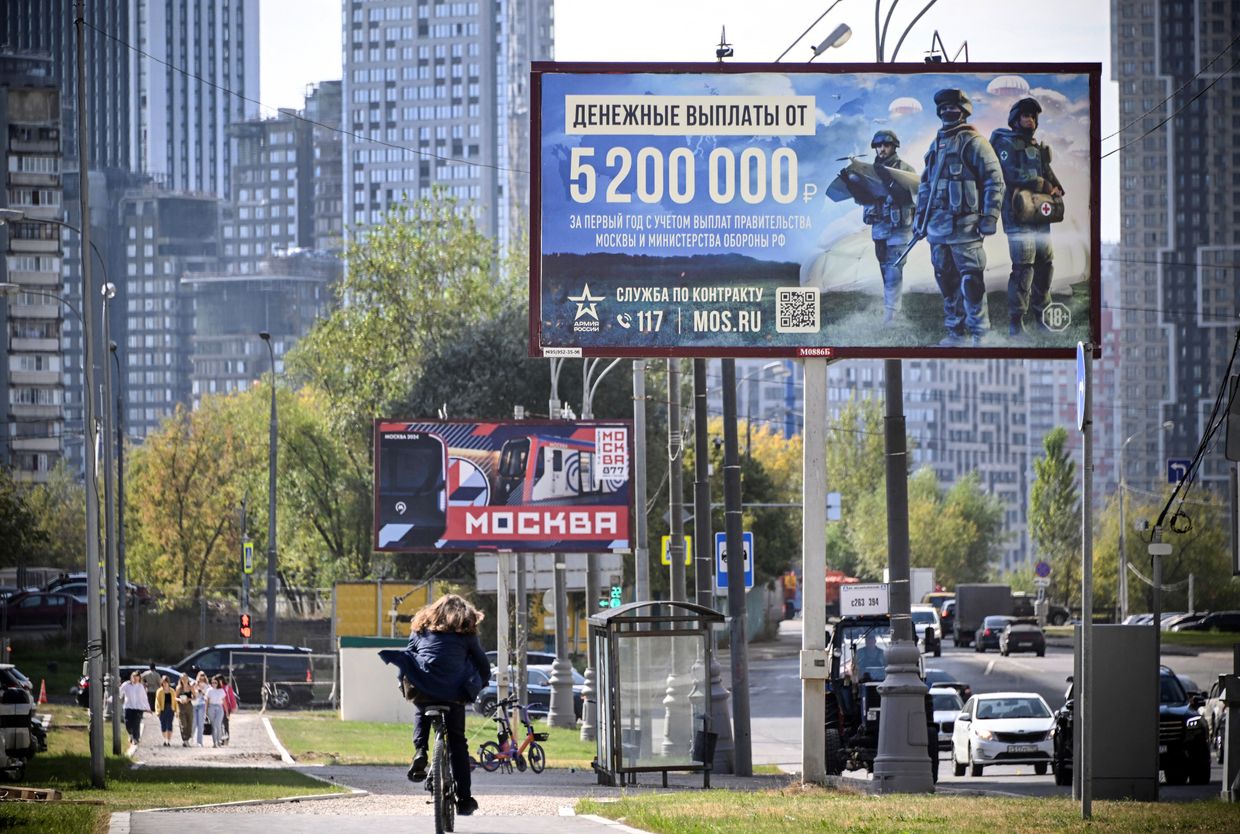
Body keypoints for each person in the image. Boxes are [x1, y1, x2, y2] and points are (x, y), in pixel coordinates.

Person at [379, 594, 490, 817]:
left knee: (421, 708)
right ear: (463, 615)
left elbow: (408, 659)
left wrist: (403, 685)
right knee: (458, 741)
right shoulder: (466, 635)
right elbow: (482, 664)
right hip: (454, 694)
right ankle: (465, 800)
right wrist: (482, 682)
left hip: (425, 688)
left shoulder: (420, 630)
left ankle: (420, 751)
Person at [915, 88, 1005, 346]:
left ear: (964, 110)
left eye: (952, 108)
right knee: (946, 281)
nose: (947, 112)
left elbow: (994, 180)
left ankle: (980, 334)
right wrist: (920, 220)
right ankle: (956, 332)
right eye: (943, 108)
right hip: (936, 229)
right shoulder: (936, 144)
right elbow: (925, 187)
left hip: (965, 228)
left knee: (971, 281)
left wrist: (989, 216)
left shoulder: (974, 142)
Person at [989, 97, 1065, 336]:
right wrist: (1042, 183)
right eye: (1025, 115)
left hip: (1039, 214)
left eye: (1033, 115)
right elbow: (1009, 172)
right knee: (1024, 268)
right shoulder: (1004, 142)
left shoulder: (1038, 147)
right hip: (1017, 214)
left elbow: (1047, 171)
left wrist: (1056, 187)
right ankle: (1016, 322)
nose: (1030, 119)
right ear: (1015, 118)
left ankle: (1042, 316)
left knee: (1045, 265)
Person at [862, 130, 918, 323]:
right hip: (879, 227)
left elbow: (917, 198)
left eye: (886, 145)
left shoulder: (905, 170)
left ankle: (891, 314)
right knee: (885, 268)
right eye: (878, 146)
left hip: (899, 228)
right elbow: (863, 198)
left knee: (894, 269)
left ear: (894, 146)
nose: (882, 149)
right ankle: (891, 307)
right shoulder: (869, 171)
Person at [118, 670, 150, 747]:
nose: (135, 678)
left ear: (139, 678)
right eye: (133, 677)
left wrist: (148, 708)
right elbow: (119, 693)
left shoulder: (141, 686)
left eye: (137, 677)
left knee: (136, 724)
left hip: (138, 708)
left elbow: (144, 698)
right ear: (131, 677)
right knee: (127, 723)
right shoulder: (126, 685)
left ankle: (136, 739)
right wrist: (111, 699)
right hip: (128, 707)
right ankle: (131, 735)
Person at [205, 676, 228, 748]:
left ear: (218, 683)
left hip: (219, 708)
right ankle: (214, 742)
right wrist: (205, 711)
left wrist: (227, 711)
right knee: (214, 726)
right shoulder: (209, 690)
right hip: (211, 708)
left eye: (215, 682)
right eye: (212, 682)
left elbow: (224, 702)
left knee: (218, 724)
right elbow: (207, 701)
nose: (214, 684)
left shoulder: (221, 691)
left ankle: (219, 740)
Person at [154, 675, 176, 747]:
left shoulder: (172, 691)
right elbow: (157, 701)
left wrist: (176, 710)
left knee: (169, 725)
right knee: (163, 725)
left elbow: (175, 701)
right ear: (162, 683)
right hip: (163, 709)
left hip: (170, 709)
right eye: (164, 682)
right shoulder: (159, 691)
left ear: (168, 682)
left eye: (166, 682)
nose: (165, 683)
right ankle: (165, 739)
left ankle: (168, 741)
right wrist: (158, 711)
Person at [174, 673, 195, 747]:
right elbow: (175, 697)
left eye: (185, 678)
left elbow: (194, 697)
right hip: (181, 707)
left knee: (190, 723)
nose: (184, 680)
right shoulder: (179, 688)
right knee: (183, 724)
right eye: (182, 678)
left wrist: (189, 699)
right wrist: (179, 700)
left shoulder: (191, 687)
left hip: (189, 706)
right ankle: (185, 739)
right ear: (180, 679)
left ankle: (187, 738)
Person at [192, 671, 209, 747]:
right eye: (200, 675)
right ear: (198, 676)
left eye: (203, 675)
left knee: (200, 724)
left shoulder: (207, 686)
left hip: (202, 704)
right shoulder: (194, 683)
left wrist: (202, 691)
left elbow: (207, 696)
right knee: (193, 723)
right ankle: (191, 738)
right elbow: (191, 692)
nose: (202, 677)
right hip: (194, 704)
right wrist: (195, 687)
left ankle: (199, 742)